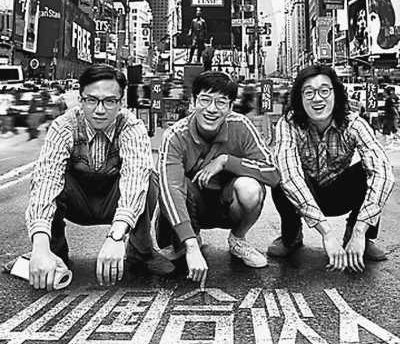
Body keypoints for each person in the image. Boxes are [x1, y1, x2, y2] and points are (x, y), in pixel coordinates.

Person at [25, 64, 172, 292]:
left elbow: (135, 178)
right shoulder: (63, 126)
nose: (100, 110)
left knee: (148, 179)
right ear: (80, 100)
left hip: (115, 202)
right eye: (91, 100)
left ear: (121, 102)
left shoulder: (132, 127)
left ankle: (141, 252)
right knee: (43, 177)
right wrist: (40, 247)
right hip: (77, 201)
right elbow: (46, 181)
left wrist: (116, 238)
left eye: (109, 101)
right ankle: (53, 252)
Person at [158, 71, 280, 289]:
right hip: (190, 204)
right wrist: (191, 245)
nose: (212, 109)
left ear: (230, 106)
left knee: (250, 188)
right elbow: (170, 189)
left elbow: (272, 172)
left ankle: (238, 239)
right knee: (170, 185)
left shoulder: (241, 126)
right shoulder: (175, 135)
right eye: (205, 100)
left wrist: (226, 161)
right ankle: (187, 240)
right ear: (193, 102)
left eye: (221, 102)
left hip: (227, 203)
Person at [268, 64, 394, 272]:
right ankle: (291, 237)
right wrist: (326, 233)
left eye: (324, 90)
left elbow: (383, 174)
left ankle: (360, 236)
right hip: (305, 194)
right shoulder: (288, 124)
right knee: (280, 177)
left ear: (335, 93)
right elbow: (290, 175)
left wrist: (360, 230)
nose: (317, 99)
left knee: (371, 172)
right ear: (299, 98)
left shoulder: (354, 123)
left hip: (339, 194)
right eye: (309, 92)